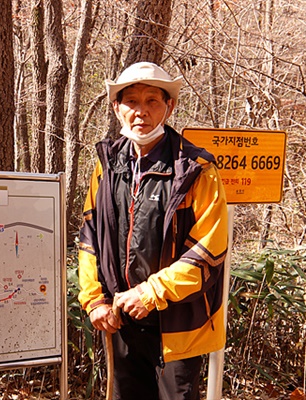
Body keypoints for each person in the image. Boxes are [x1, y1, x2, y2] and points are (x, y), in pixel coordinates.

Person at [77, 61, 229, 400]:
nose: (140, 112)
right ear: (117, 107)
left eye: (152, 101)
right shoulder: (107, 164)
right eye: (131, 101)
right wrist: (94, 300)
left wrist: (150, 293)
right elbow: (90, 237)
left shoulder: (196, 169)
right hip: (121, 320)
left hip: (178, 323)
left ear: (169, 106)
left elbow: (209, 251)